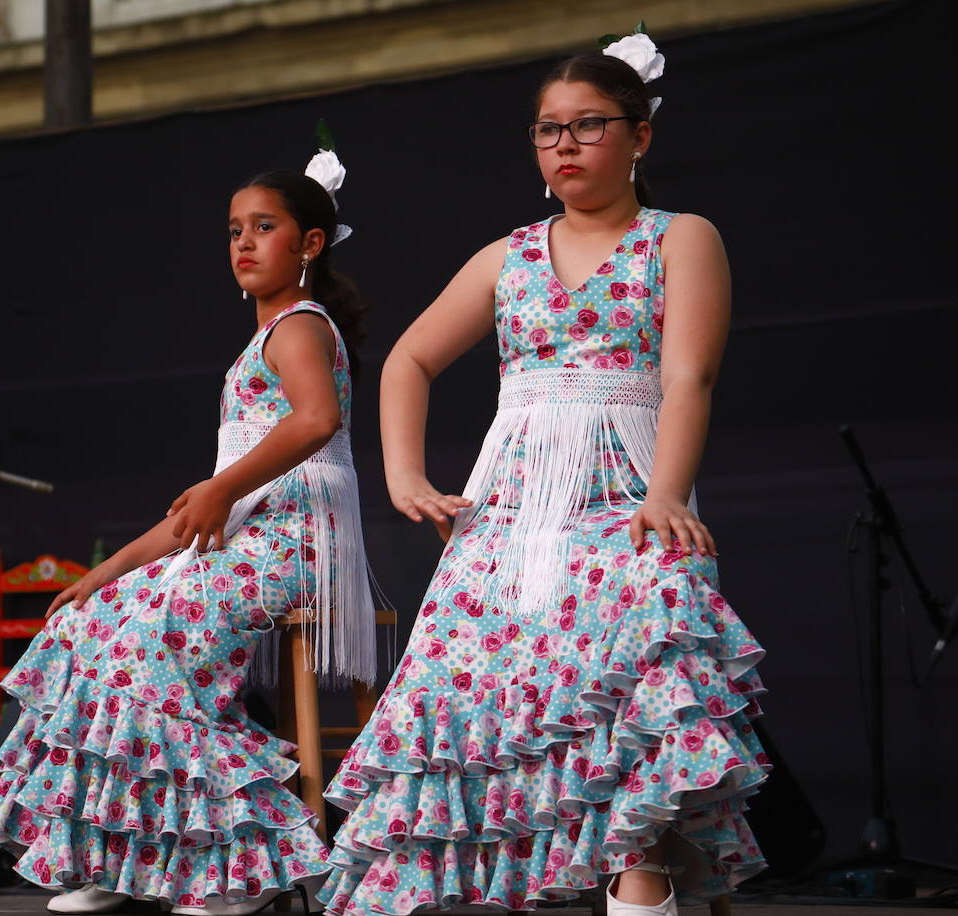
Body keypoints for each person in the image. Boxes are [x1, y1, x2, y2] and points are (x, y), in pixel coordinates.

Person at [319, 35, 769, 916]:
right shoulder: (509, 255)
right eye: (547, 131)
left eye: (587, 126)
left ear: (640, 137)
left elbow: (688, 378)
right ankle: (460, 878)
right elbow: (407, 358)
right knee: (468, 672)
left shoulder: (679, 239)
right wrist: (405, 475)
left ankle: (640, 873)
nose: (563, 145)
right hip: (516, 503)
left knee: (652, 630)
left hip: (628, 484)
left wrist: (666, 493)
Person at [0, 150, 379, 916]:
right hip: (245, 538)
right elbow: (198, 513)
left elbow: (316, 420)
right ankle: (118, 854)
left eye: (265, 227)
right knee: (89, 630)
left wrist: (225, 487)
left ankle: (241, 870)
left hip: (292, 546)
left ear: (311, 245)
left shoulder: (298, 328)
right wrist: (105, 574)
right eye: (234, 230)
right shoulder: (257, 347)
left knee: (146, 647)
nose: (244, 243)